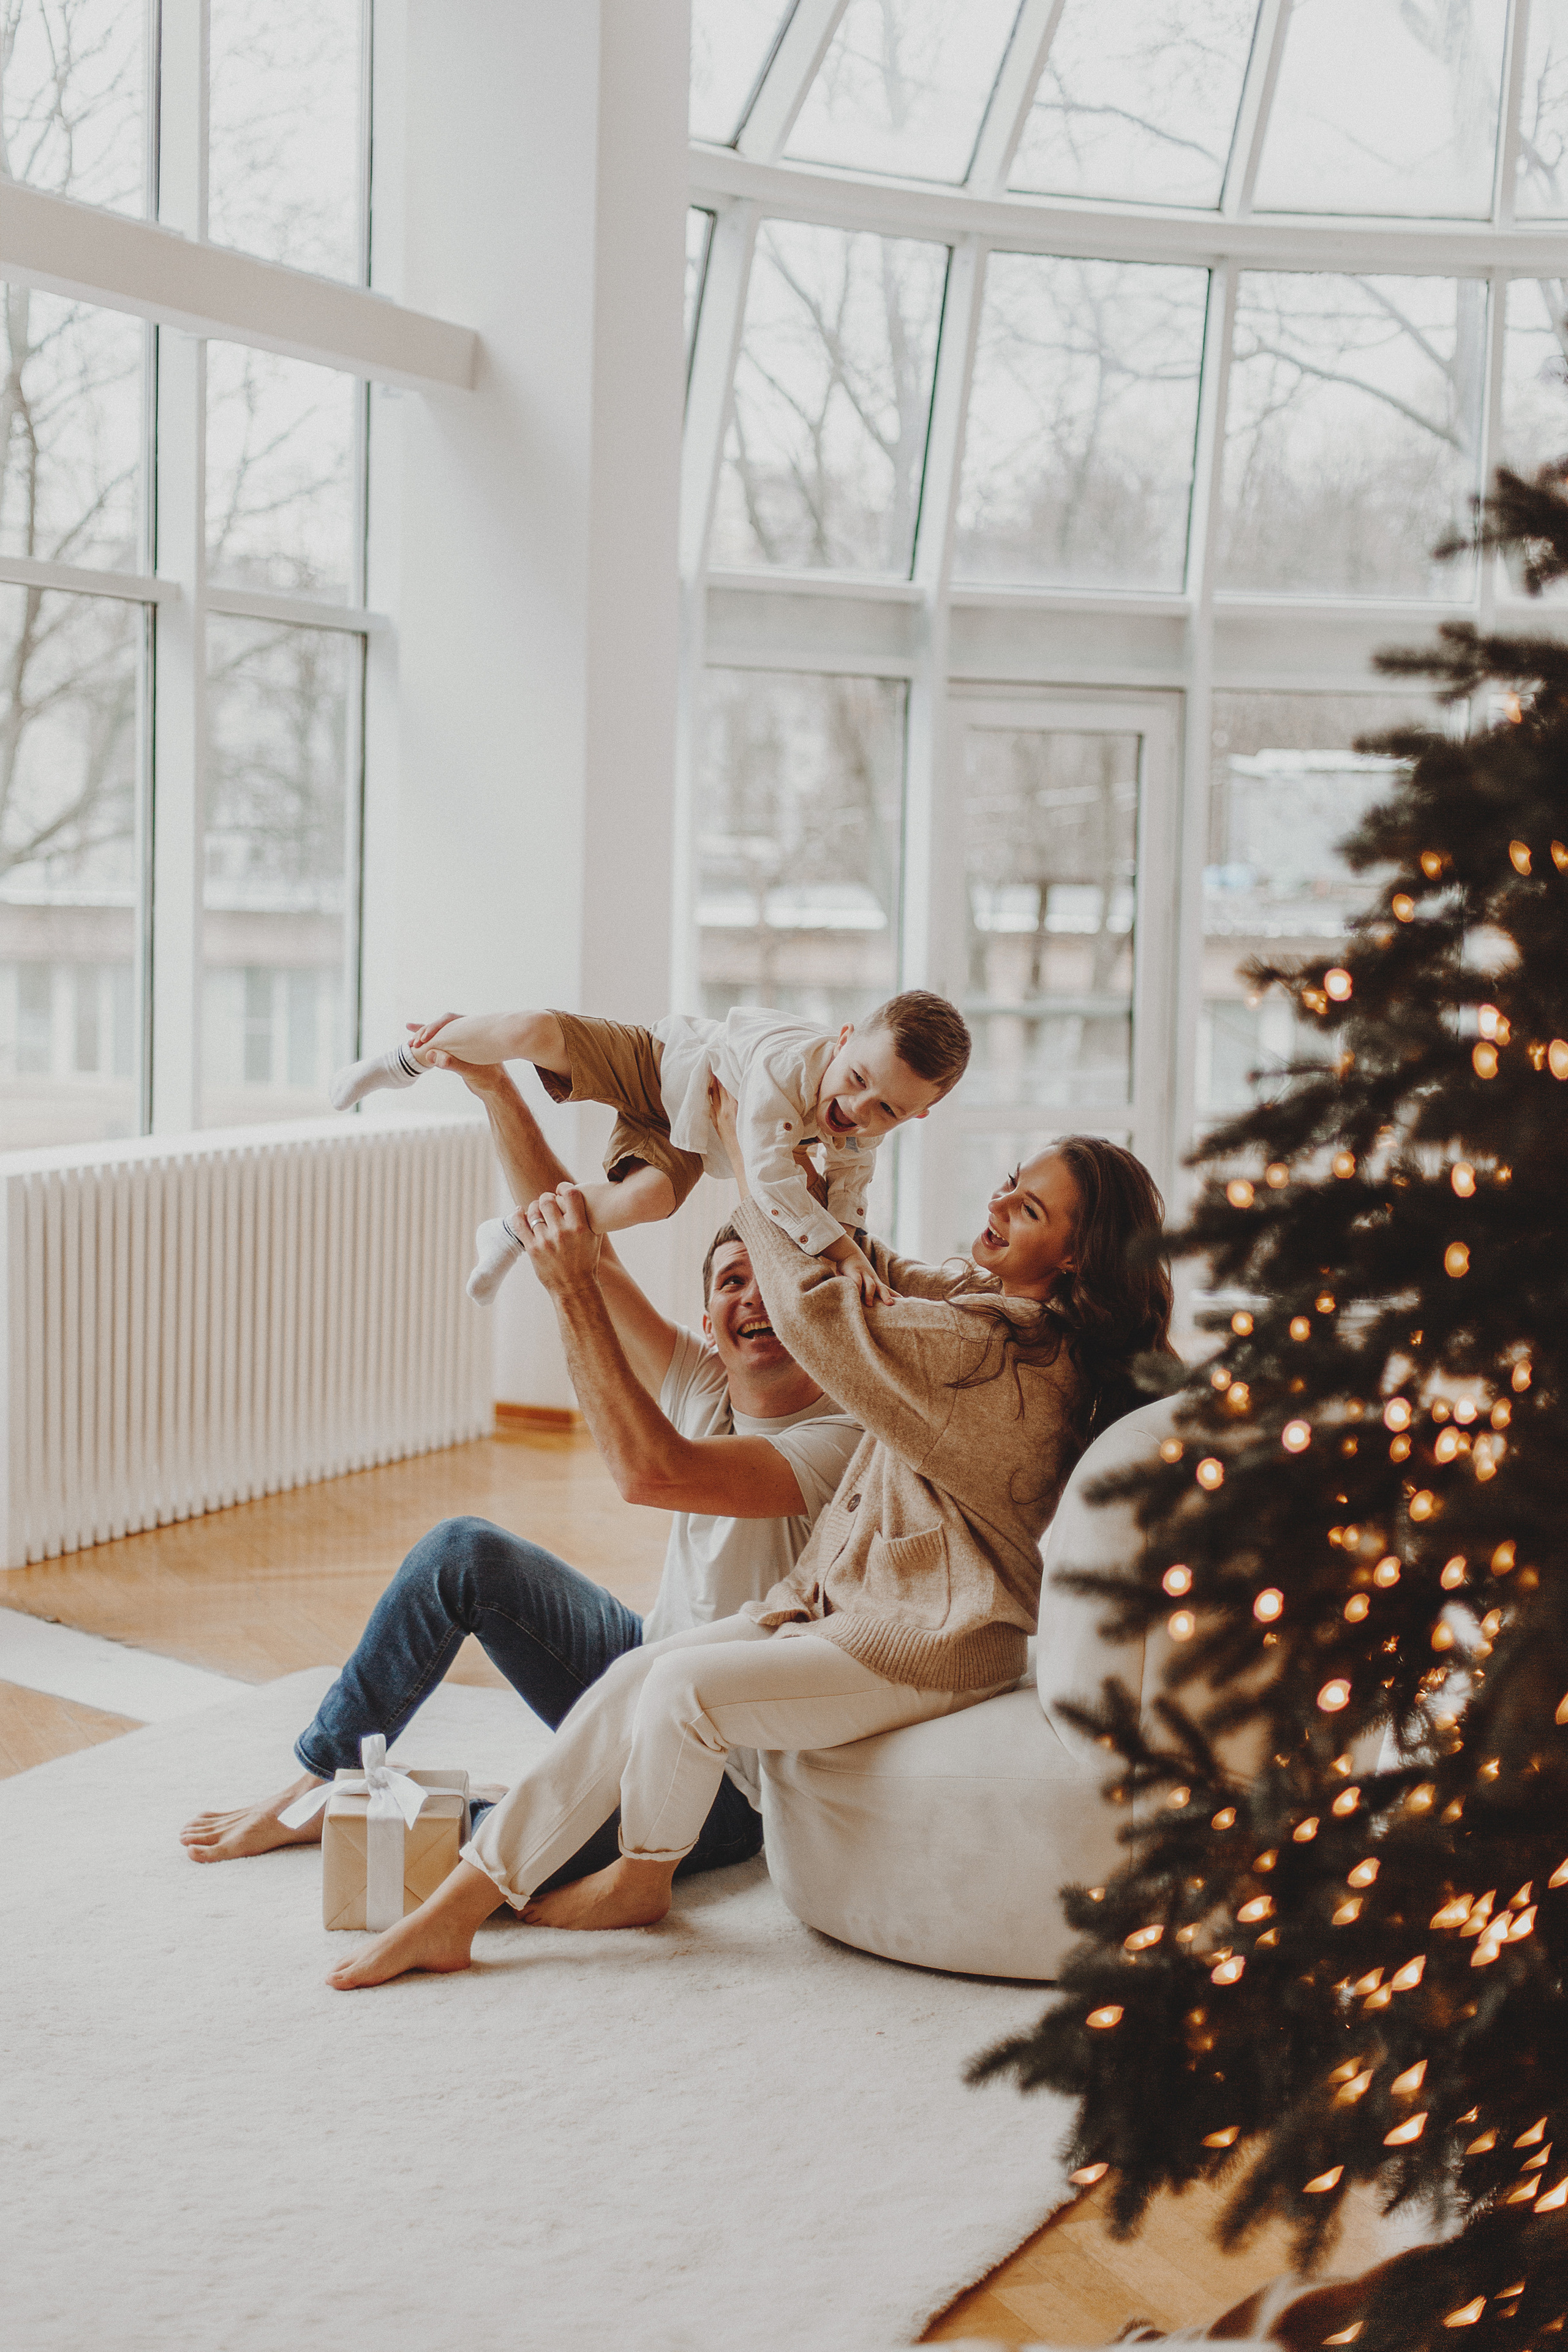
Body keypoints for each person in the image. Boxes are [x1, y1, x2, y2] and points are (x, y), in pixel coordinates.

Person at [322, 1103, 1175, 1992]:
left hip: (937, 1644)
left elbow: (820, 1312)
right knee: (630, 1679)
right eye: (1009, 1186)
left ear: (1076, 1257)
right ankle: (453, 1912)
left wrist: (746, 1150)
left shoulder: (995, 1358)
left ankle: (640, 1879)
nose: (999, 1208)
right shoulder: (983, 1314)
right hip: (849, 1611)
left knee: (685, 1693)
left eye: (1029, 1210)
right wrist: (813, 1187)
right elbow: (873, 1270)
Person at [178, 1057, 862, 1883]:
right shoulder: (705, 1381)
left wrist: (572, 1293)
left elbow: (654, 1473)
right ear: (709, 1323)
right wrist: (496, 1090)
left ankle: (366, 1812)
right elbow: (583, 1246)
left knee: (498, 1848)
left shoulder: (841, 1436)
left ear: (813, 1303)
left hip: (729, 1779)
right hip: (638, 1675)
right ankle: (325, 1777)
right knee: (462, 1551)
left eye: (774, 1283)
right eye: (730, 1282)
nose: (753, 1298)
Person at [328, 991, 971, 1306]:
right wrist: (833, 1244)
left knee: (650, 1200)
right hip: (663, 1063)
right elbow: (771, 1178)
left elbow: (848, 1196)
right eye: (857, 1080)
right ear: (842, 1040)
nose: (858, 1111)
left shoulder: (861, 1131)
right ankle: (402, 1060)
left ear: (919, 1113)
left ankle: (512, 1233)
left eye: (886, 1109)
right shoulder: (785, 1067)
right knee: (530, 1031)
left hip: (686, 1131)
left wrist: (852, 1253)